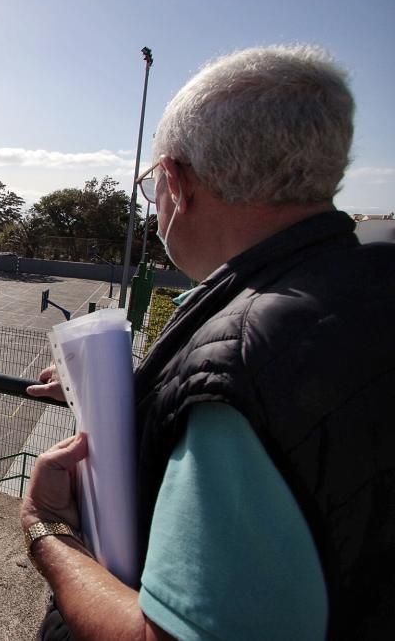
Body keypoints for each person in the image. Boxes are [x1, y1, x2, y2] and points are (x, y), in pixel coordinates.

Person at [23, 46, 395, 640]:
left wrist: (48, 531)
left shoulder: (243, 368)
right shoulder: (368, 284)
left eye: (153, 187)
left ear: (176, 181)